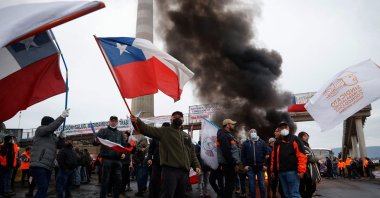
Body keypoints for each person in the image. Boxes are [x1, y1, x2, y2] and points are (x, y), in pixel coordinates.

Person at [131, 111, 201, 198]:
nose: (177, 117)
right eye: (174, 116)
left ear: (182, 119)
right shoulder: (165, 131)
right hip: (170, 171)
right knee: (167, 195)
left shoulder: (186, 136)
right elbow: (147, 129)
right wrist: (137, 121)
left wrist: (196, 166)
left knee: (180, 195)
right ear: (171, 119)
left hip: (184, 172)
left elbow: (192, 153)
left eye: (179, 116)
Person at [29, 109, 69, 198]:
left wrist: (62, 138)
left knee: (44, 188)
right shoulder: (40, 130)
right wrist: (62, 117)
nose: (53, 126)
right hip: (39, 164)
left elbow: (59, 146)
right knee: (42, 187)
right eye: (52, 123)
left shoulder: (52, 136)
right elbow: (51, 128)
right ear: (48, 124)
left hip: (48, 166)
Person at [94, 116, 128, 198]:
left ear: (117, 122)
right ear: (109, 122)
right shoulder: (103, 131)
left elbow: (124, 145)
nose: (113, 122)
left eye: (115, 121)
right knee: (105, 180)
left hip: (118, 160)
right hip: (107, 159)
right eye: (112, 121)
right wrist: (96, 140)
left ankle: (116, 196)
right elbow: (95, 142)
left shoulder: (120, 133)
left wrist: (124, 152)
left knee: (118, 180)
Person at [271, 122, 307, 198]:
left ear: (288, 128)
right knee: (286, 194)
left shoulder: (295, 139)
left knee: (294, 194)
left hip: (292, 172)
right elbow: (274, 158)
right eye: (281, 128)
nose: (283, 129)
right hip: (281, 172)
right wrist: (273, 170)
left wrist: (301, 171)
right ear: (279, 130)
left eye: (285, 127)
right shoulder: (277, 142)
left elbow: (301, 156)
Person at [216, 118, 241, 198]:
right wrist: (234, 164)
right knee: (229, 186)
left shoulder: (228, 134)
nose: (233, 125)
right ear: (227, 125)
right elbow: (226, 152)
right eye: (232, 124)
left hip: (229, 164)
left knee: (230, 186)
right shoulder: (224, 135)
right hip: (228, 165)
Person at [241, 129, 269, 198]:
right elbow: (243, 155)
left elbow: (267, 154)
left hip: (260, 167)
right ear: (249, 134)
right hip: (250, 168)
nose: (253, 133)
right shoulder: (245, 143)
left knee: (262, 185)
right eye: (251, 132)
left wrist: (265, 165)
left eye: (254, 132)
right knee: (252, 186)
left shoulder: (262, 142)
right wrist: (245, 165)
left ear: (256, 133)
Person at [147, 122, 169, 198]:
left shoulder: (171, 138)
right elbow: (150, 150)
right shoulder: (155, 137)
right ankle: (152, 195)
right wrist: (149, 158)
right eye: (163, 128)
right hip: (156, 162)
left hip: (167, 164)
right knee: (154, 180)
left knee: (166, 182)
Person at [297, 132, 321, 198]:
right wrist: (317, 158)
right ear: (303, 136)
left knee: (306, 187)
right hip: (306, 170)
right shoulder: (302, 145)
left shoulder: (304, 145)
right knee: (310, 187)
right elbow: (308, 158)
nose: (308, 138)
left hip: (305, 169)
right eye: (307, 136)